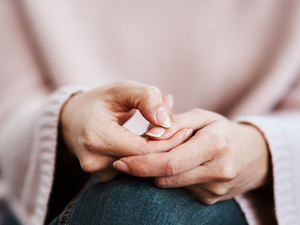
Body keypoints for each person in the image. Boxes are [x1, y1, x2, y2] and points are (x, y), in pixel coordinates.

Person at [1, 1, 300, 225]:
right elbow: (10, 105)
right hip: (50, 187)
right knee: (136, 203)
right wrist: (69, 119)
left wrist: (262, 151)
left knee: (141, 204)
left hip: (264, 194)